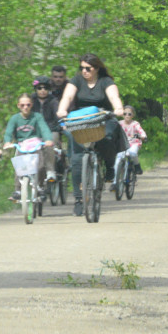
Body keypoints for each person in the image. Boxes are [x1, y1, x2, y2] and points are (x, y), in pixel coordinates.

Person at [55, 53, 127, 216]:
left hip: (103, 117)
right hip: (81, 118)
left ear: (96, 68)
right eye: (81, 68)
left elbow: (114, 96)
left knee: (107, 137)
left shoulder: (105, 82)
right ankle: (79, 200)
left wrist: (118, 108)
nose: (84, 71)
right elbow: (68, 96)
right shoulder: (76, 80)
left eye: (88, 68)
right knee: (76, 159)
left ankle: (110, 167)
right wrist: (62, 109)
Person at [3, 93, 54, 201]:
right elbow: (8, 132)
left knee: (40, 166)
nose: (25, 107)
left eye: (28, 105)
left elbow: (44, 128)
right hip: (22, 145)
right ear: (18, 106)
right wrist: (7, 142)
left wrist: (48, 139)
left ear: (31, 105)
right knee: (20, 167)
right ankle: (18, 190)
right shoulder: (15, 118)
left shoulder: (37, 116)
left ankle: (40, 187)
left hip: (35, 144)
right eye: (22, 105)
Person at [31, 75, 60, 183]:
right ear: (36, 89)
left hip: (51, 129)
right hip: (36, 131)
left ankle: (50, 171)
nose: (42, 90)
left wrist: (59, 126)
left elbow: (58, 116)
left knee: (49, 144)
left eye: (45, 88)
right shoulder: (31, 101)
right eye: (39, 88)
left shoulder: (53, 101)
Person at [116, 106, 147, 175]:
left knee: (133, 153)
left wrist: (143, 136)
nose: (127, 116)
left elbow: (141, 131)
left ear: (133, 115)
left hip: (134, 143)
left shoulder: (135, 124)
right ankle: (116, 180)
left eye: (129, 114)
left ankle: (137, 166)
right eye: (125, 114)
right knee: (118, 158)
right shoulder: (119, 123)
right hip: (123, 144)